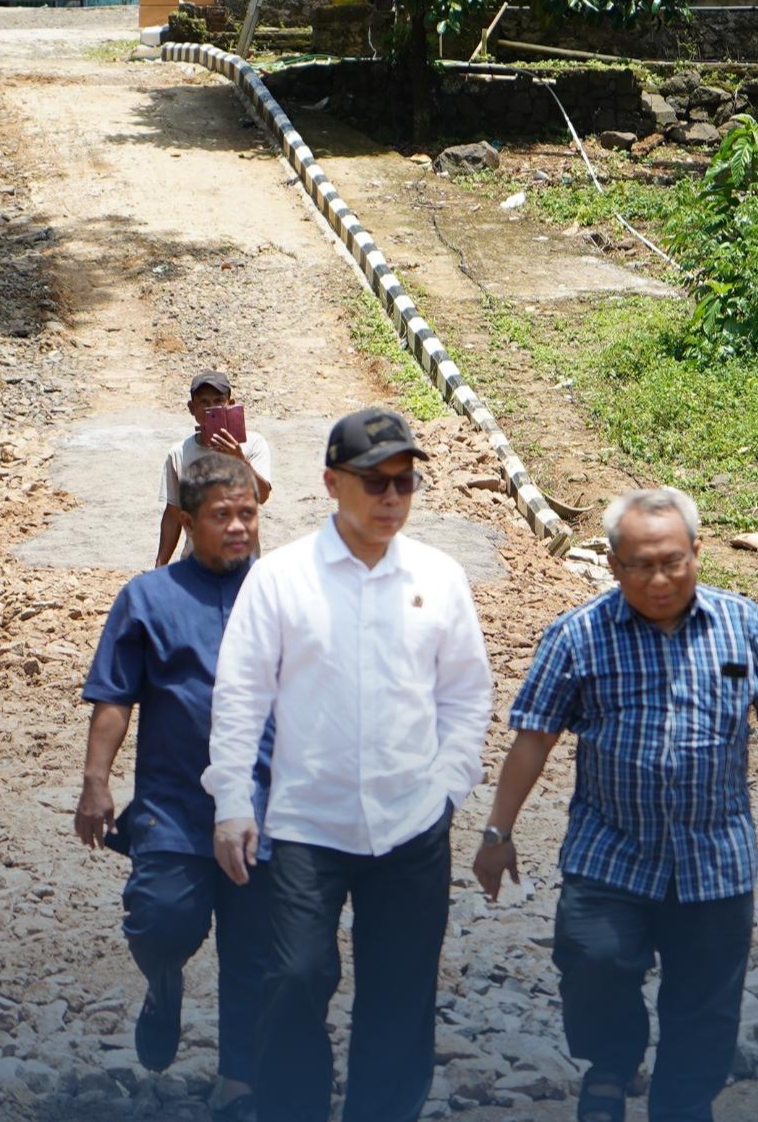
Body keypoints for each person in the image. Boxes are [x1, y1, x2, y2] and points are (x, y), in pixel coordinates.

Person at [473, 487, 758, 1122]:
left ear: (697, 552)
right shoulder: (579, 635)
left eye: (673, 560)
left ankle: (682, 1102)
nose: (660, 578)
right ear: (615, 564)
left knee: (705, 1001)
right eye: (641, 564)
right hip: (609, 847)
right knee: (592, 959)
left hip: (715, 854)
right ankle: (611, 1066)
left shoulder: (743, 624)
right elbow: (534, 736)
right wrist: (496, 832)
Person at [205, 406, 493, 1122]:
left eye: (405, 482)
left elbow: (466, 693)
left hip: (412, 824)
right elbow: (241, 696)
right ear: (332, 482)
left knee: (401, 995)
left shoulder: (440, 576)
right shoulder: (280, 579)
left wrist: (450, 783)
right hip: (308, 822)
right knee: (296, 978)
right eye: (375, 482)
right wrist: (233, 803)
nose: (392, 498)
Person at [75, 453, 274, 1122]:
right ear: (187, 522)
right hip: (174, 806)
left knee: (255, 948)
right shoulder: (148, 597)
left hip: (264, 802)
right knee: (161, 920)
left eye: (248, 513)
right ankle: (164, 983)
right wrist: (96, 782)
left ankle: (238, 1081)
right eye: (222, 515)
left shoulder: (280, 592)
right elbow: (114, 699)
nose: (239, 527)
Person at [157, 370, 273, 568]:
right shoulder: (179, 453)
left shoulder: (253, 444)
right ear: (192, 408)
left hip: (242, 565)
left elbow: (262, 496)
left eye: (218, 400)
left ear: (230, 403)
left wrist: (240, 460)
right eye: (204, 402)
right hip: (196, 564)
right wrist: (160, 567)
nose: (212, 409)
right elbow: (173, 513)